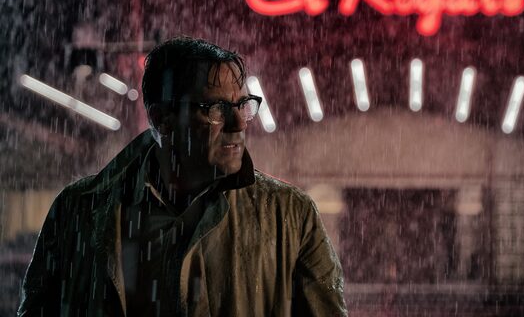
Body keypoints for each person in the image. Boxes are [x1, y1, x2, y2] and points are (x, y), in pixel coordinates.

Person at [18, 37, 347, 316]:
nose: (239, 123)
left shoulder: (290, 216)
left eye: (242, 104)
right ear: (163, 119)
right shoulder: (78, 211)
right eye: (216, 108)